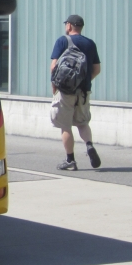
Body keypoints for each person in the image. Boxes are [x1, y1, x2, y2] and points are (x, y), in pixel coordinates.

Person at [50, 14, 102, 171]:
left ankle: (70, 160)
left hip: (65, 90)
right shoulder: (90, 44)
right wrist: (84, 81)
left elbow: (54, 67)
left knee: (65, 126)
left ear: (69, 26)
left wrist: (54, 86)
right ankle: (89, 145)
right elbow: (97, 69)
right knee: (82, 123)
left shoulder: (62, 41)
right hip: (84, 91)